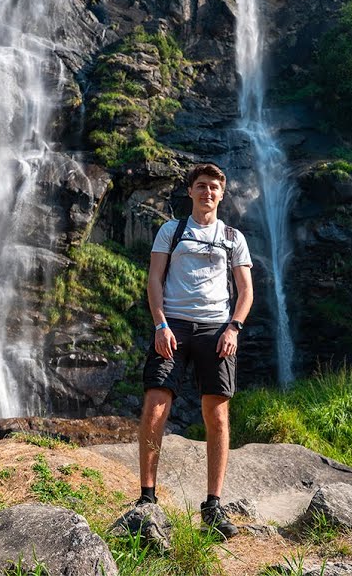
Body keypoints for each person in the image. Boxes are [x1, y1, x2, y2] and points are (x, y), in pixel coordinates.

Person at [138, 163, 254, 541]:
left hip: (217, 329)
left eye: (214, 187)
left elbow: (246, 290)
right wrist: (160, 324)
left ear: (222, 194)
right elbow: (154, 278)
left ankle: (213, 505)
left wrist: (234, 327)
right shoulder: (171, 231)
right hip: (172, 325)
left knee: (217, 413)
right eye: (201, 186)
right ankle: (146, 498)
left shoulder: (234, 237)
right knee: (156, 402)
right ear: (190, 191)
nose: (207, 192)